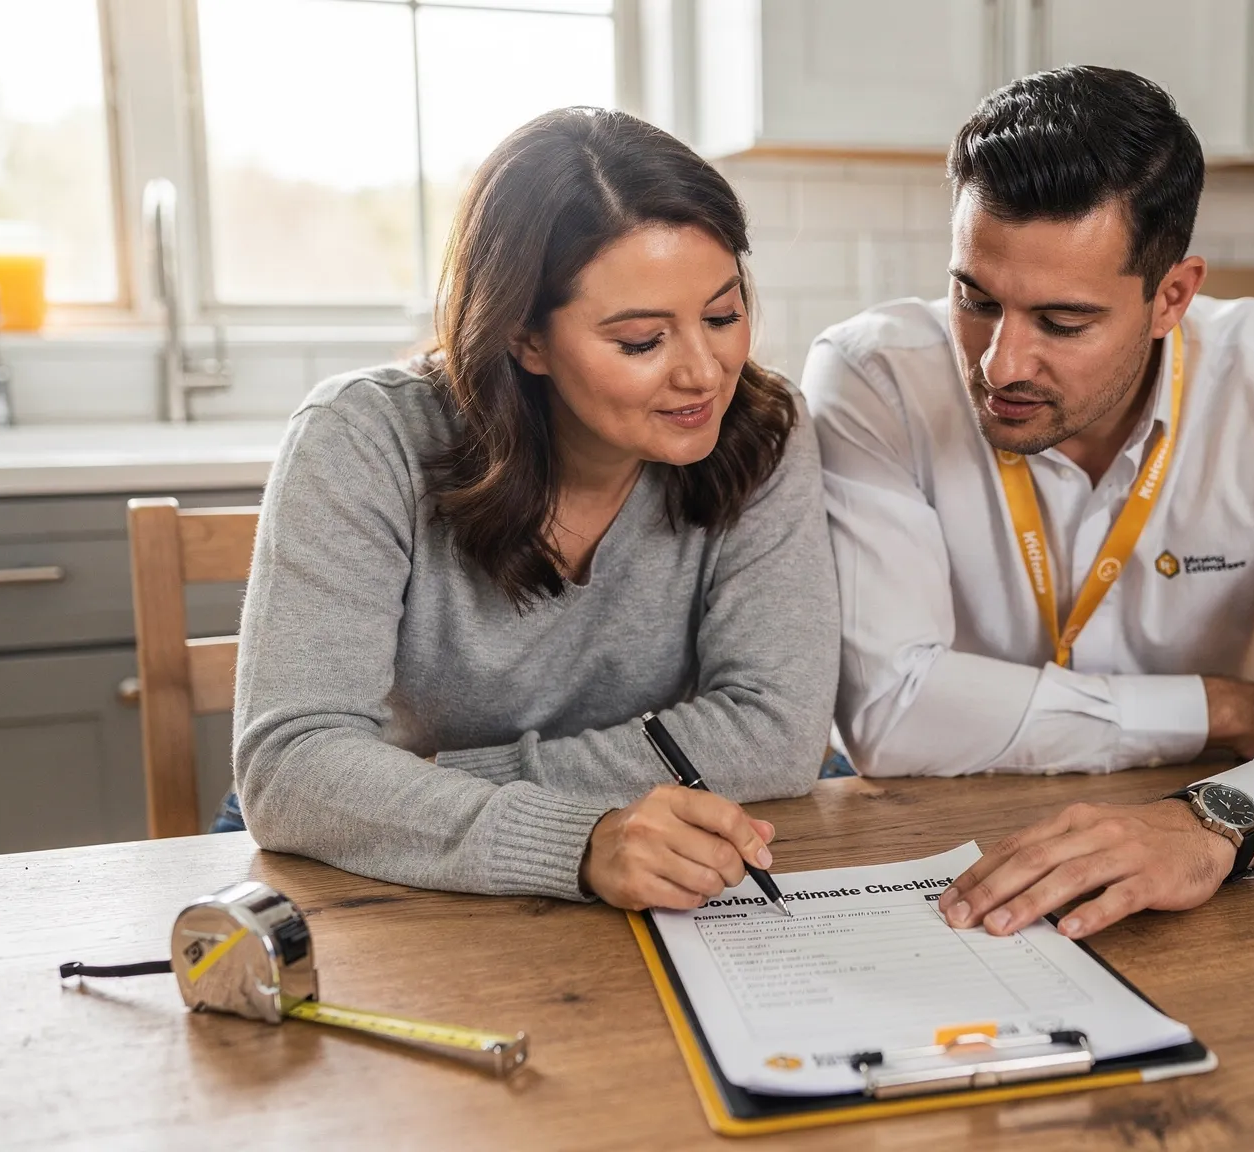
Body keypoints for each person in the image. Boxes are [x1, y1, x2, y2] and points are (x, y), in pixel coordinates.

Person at [802, 67, 1254, 942]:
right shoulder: (871, 377)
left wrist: (1212, 821)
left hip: (1184, 847)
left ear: (1172, 297)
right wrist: (1226, 709)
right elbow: (893, 711)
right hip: (925, 850)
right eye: (976, 298)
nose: (1001, 363)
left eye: (1063, 321)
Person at [233, 108, 839, 910]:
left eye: (724, 316)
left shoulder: (761, 429)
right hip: (379, 868)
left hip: (486, 828)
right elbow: (294, 769)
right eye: (641, 342)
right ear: (525, 338)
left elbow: (777, 734)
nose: (706, 373)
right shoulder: (362, 437)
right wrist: (576, 840)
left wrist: (444, 780)